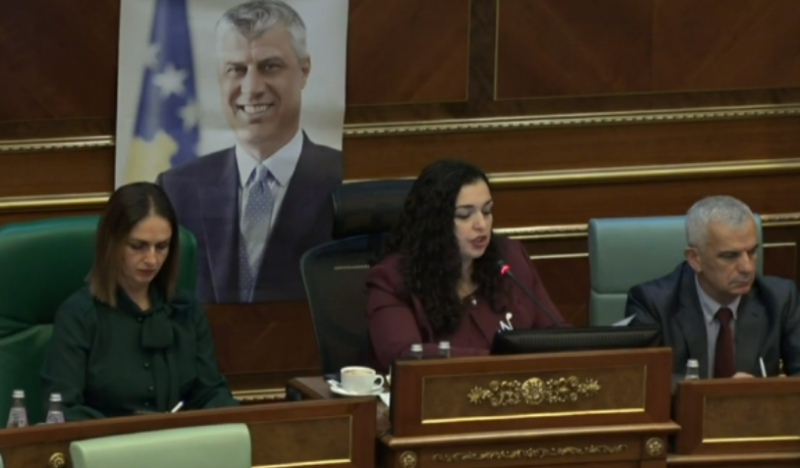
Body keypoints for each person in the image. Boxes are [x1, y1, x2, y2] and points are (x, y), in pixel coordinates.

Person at [156, 0, 342, 303]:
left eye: (270, 66)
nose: (251, 87)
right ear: (220, 76)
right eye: (236, 69)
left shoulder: (345, 180)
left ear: (304, 70)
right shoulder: (176, 189)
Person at [41, 183, 239, 421]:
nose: (152, 260)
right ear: (111, 243)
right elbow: (63, 409)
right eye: (138, 246)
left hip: (179, 440)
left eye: (162, 247)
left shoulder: (186, 309)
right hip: (106, 442)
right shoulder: (78, 315)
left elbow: (210, 392)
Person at [366, 159, 566, 372]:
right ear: (435, 222)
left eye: (487, 211)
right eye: (464, 215)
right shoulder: (391, 279)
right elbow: (402, 355)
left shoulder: (510, 258)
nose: (481, 224)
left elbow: (556, 333)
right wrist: (503, 360)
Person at [626, 195, 800, 380]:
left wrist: (772, 390)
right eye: (730, 256)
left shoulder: (780, 298)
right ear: (695, 259)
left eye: (752, 252)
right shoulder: (652, 305)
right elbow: (640, 380)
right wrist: (718, 392)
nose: (747, 267)